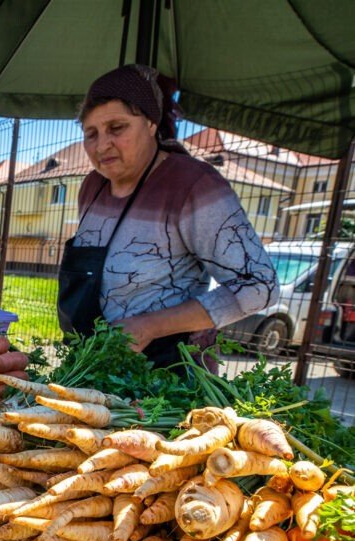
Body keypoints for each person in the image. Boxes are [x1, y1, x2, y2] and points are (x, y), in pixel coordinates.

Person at [61, 64, 278, 367]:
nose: (101, 145)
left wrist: (149, 327)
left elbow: (259, 287)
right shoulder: (92, 186)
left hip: (167, 377)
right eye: (91, 133)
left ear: (151, 123)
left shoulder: (193, 185)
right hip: (94, 366)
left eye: (117, 128)